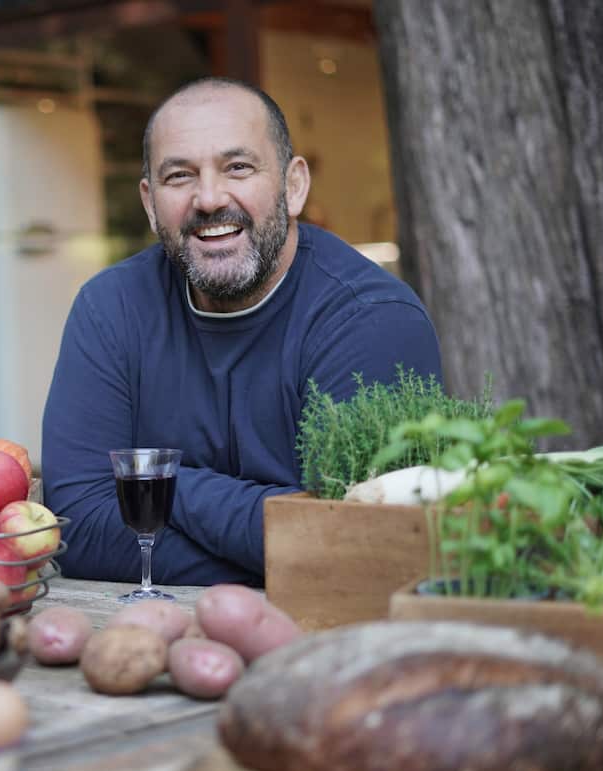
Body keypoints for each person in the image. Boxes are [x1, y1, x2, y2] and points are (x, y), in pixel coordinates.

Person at [41, 77, 441, 586]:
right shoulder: (110, 309)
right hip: (142, 627)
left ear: (294, 186)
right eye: (179, 176)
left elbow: (361, 544)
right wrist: (278, 549)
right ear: (150, 203)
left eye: (238, 167)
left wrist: (165, 484)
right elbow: (80, 530)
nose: (209, 199)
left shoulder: (371, 319)